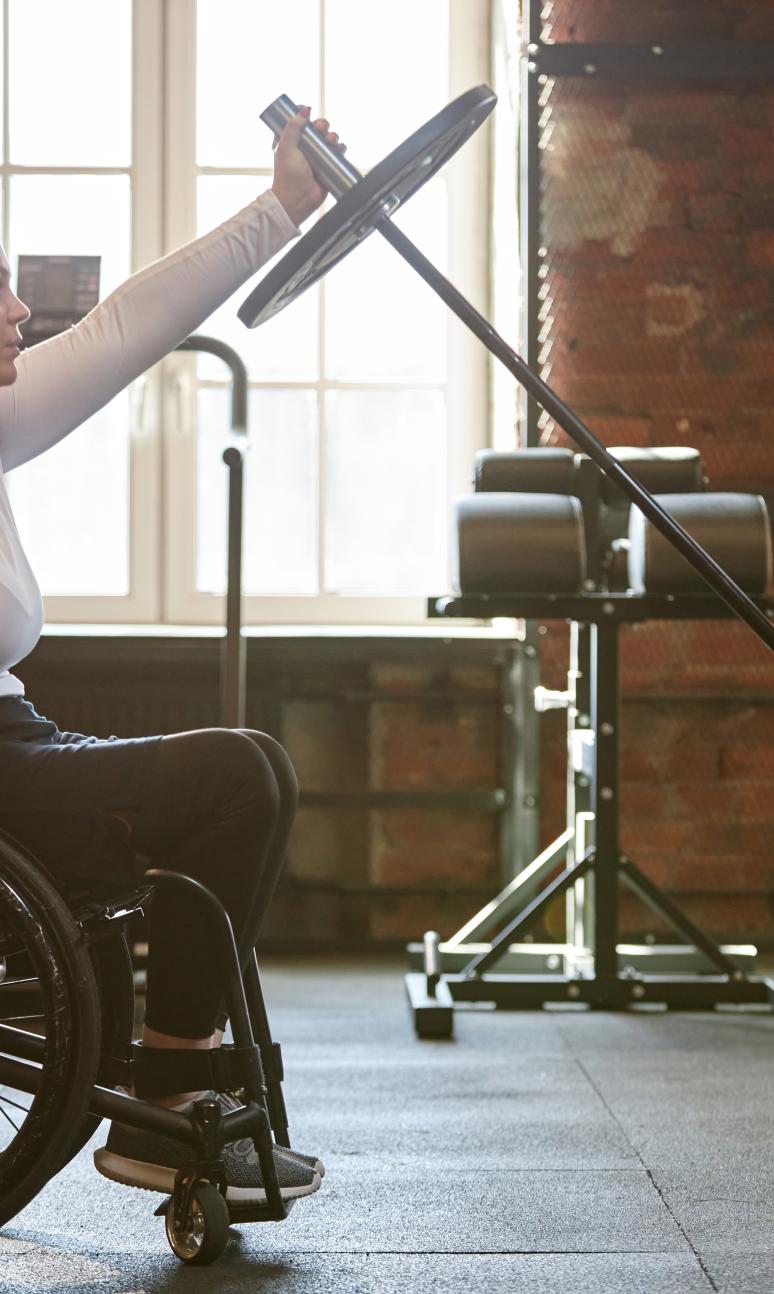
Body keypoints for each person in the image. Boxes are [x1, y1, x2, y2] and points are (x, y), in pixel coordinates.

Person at [0, 108, 342, 1206]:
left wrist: (282, 209)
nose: (17, 309)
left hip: (18, 732)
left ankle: (182, 1079)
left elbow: (121, 329)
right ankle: (177, 1085)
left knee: (253, 765)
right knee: (233, 776)